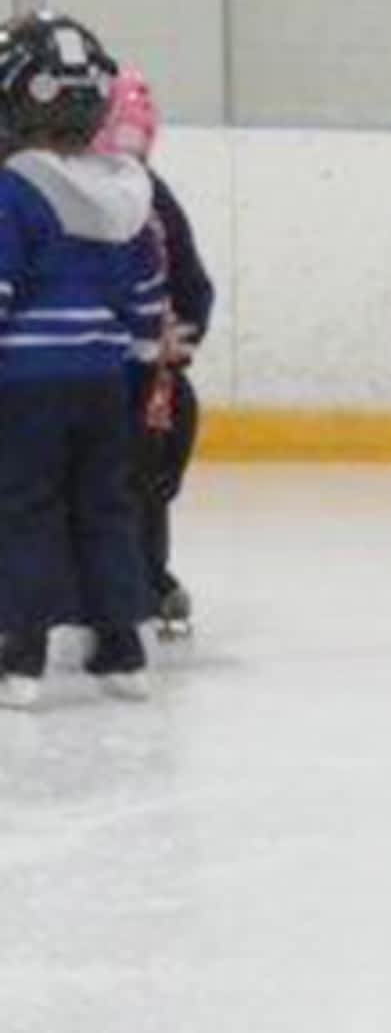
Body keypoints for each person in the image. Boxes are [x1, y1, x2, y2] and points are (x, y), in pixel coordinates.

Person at [0, 13, 163, 707]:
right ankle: (122, 649)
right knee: (105, 508)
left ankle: (23, 655)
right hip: (101, 381)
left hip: (27, 385)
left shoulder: (13, 191)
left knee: (27, 508)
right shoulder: (128, 192)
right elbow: (146, 301)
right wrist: (136, 372)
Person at [93, 66, 214, 633]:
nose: (128, 154)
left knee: (153, 459)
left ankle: (146, 573)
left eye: (137, 141)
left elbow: (193, 288)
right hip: (73, 368)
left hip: (142, 374)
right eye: (119, 138)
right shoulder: (55, 194)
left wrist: (176, 344)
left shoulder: (152, 198)